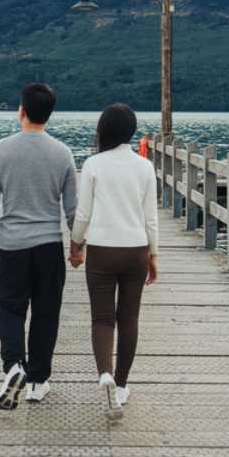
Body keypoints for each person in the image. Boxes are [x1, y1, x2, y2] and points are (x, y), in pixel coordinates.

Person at [0, 83, 78, 410]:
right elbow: (74, 210)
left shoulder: (1, 150)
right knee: (46, 314)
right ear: (49, 113)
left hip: (12, 248)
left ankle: (14, 365)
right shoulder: (63, 153)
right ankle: (37, 382)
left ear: (21, 110)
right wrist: (77, 247)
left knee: (7, 309)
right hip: (49, 248)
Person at [68, 103, 158, 418]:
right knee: (129, 319)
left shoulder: (93, 164)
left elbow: (83, 213)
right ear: (131, 131)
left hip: (103, 250)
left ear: (103, 129)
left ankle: (104, 373)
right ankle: (120, 386)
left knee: (102, 319)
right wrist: (153, 254)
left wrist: (76, 243)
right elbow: (151, 219)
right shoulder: (144, 167)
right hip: (136, 250)